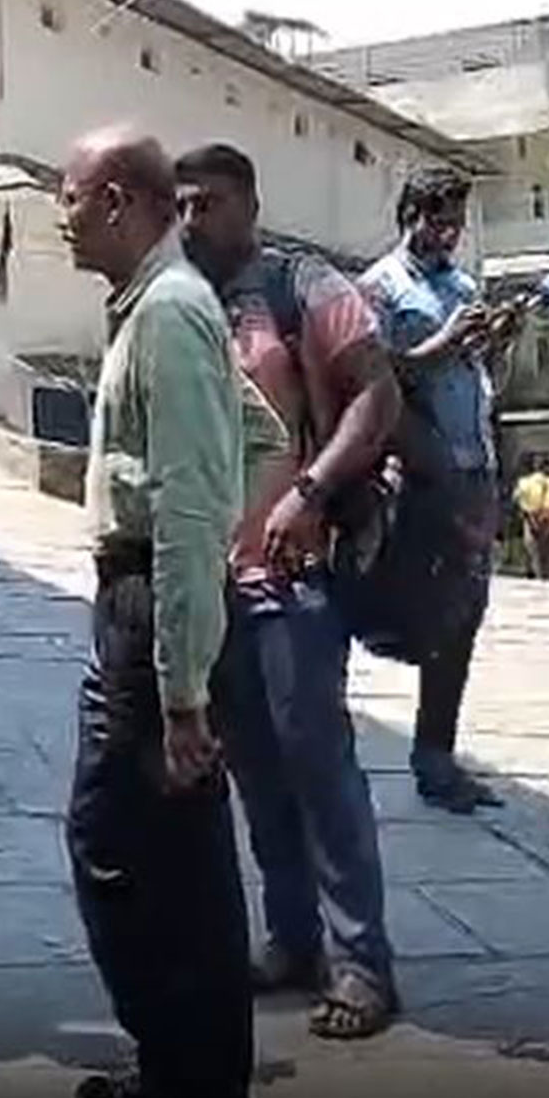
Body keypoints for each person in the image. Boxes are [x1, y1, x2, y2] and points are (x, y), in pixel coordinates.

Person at [59, 127, 273, 1098]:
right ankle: (187, 1070)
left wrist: (183, 688)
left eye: (68, 196)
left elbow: (189, 504)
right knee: (167, 852)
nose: (59, 216)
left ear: (114, 198)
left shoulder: (171, 312)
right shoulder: (161, 309)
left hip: (154, 602)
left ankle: (185, 1067)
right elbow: (256, 431)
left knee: (126, 844)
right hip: (146, 599)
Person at [175, 143, 401, 1040]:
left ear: (250, 204)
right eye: (183, 204)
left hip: (296, 581)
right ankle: (294, 942)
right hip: (218, 583)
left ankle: (362, 964)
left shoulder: (301, 284)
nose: (195, 220)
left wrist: (311, 492)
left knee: (321, 775)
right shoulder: (186, 302)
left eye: (211, 203)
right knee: (259, 780)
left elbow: (376, 396)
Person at [359, 168, 519, 815]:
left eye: (455, 222)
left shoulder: (462, 285)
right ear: (410, 215)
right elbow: (375, 373)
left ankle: (438, 758)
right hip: (421, 472)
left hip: (471, 463)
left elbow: (482, 380)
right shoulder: (381, 286)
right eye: (437, 220)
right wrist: (442, 343)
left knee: (462, 618)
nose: (447, 233)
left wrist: (495, 344)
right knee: (406, 608)